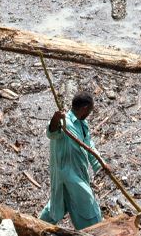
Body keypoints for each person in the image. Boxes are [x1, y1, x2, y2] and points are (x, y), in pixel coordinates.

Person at [41, 92, 103, 229]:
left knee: (55, 208)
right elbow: (51, 133)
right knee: (89, 207)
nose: (90, 113)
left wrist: (100, 165)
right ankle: (96, 231)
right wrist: (55, 119)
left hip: (77, 172)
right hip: (69, 176)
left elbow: (89, 146)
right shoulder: (64, 122)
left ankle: (36, 227)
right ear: (85, 108)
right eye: (90, 110)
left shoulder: (82, 124)